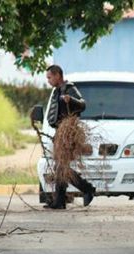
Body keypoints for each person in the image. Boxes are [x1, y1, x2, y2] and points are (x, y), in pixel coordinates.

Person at [45, 64, 95, 209]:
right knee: (60, 166)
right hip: (59, 133)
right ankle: (60, 201)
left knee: (61, 166)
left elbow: (82, 105)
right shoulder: (56, 91)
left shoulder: (70, 88)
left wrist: (70, 100)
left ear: (57, 75)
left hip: (68, 134)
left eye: (49, 77)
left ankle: (87, 188)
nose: (48, 80)